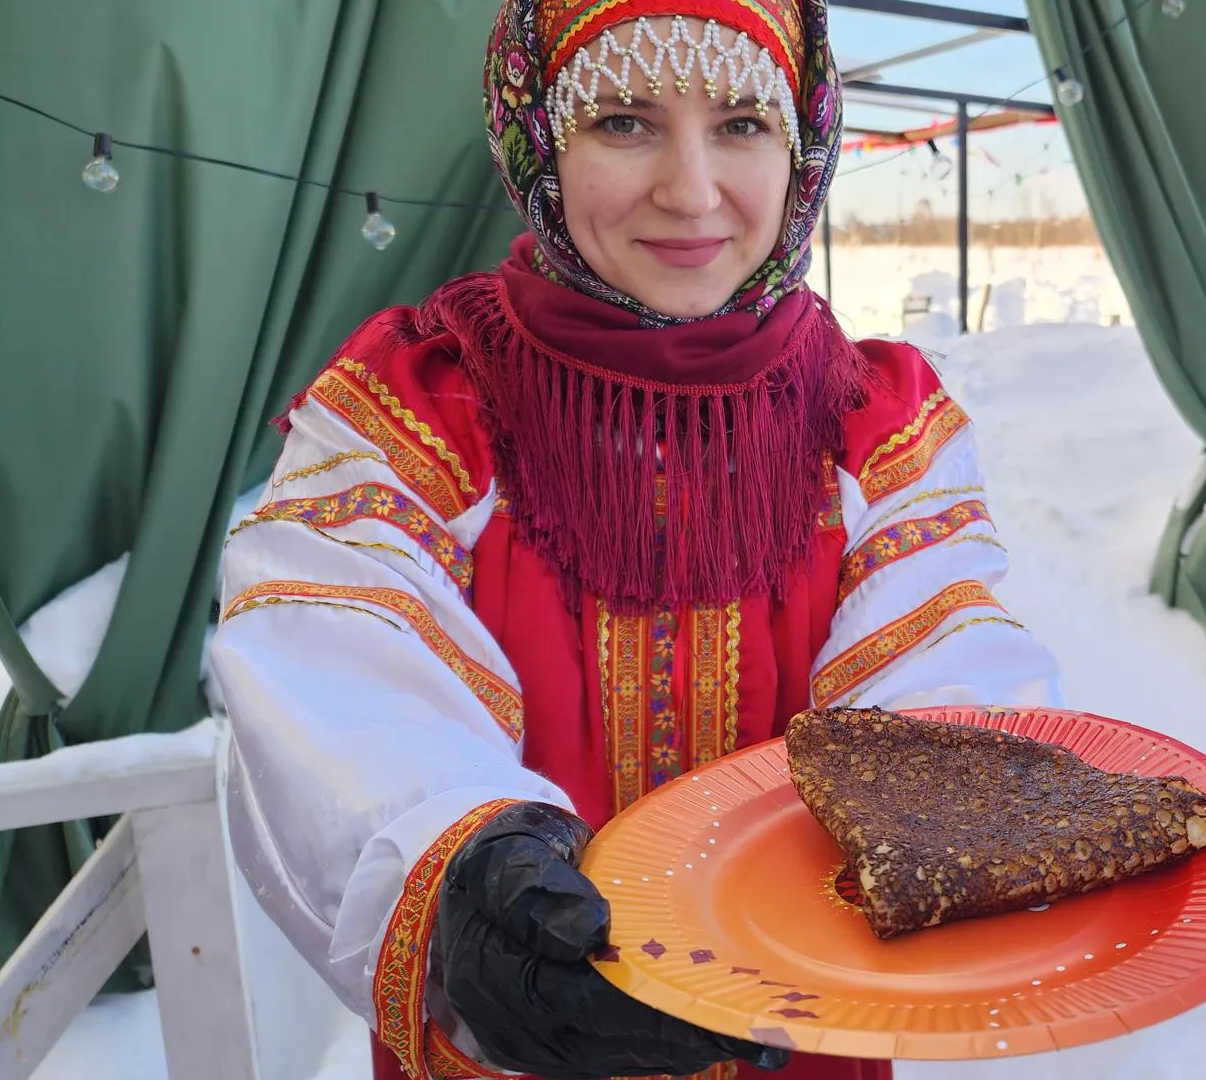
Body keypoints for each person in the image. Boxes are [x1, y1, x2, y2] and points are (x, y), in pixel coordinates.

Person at [207, 0, 1065, 1077]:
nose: (692, 190)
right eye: (623, 120)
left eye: (743, 124)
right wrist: (467, 861)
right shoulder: (423, 405)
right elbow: (325, 645)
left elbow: (943, 661)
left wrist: (939, 815)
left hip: (798, 1030)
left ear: (805, 142)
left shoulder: (872, 420)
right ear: (536, 136)